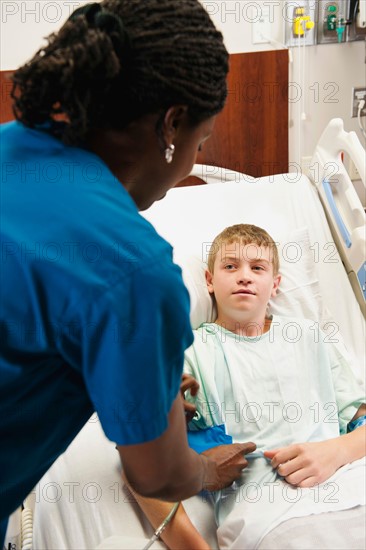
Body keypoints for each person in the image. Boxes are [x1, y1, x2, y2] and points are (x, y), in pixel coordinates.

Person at [0, 2, 256, 544]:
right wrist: (203, 467)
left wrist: (138, 380)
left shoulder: (10, 142)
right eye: (201, 142)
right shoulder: (135, 272)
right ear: (172, 124)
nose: (189, 164)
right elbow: (157, 473)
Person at [130, 223, 366, 549]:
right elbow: (138, 454)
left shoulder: (309, 336)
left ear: (276, 284)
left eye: (257, 268)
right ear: (209, 281)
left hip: (351, 486)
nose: (244, 276)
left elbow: (361, 421)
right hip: (274, 518)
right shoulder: (189, 352)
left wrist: (338, 450)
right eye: (230, 266)